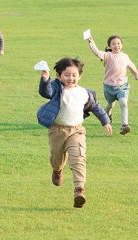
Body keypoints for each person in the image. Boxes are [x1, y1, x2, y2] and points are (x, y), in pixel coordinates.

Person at [37, 57, 112, 208]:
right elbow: (46, 92)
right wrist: (45, 79)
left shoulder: (85, 93)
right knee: (56, 159)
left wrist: (105, 121)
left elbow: (96, 107)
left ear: (80, 76)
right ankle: (57, 170)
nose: (71, 78)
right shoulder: (57, 89)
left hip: (77, 131)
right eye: (67, 75)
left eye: (74, 75)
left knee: (78, 158)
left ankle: (79, 190)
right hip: (57, 130)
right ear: (59, 76)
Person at [87, 34, 138, 135]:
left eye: (118, 43)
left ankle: (124, 125)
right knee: (110, 104)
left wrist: (136, 75)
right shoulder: (107, 55)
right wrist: (91, 41)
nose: (116, 46)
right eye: (113, 44)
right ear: (109, 46)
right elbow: (97, 52)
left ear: (122, 45)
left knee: (123, 103)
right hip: (109, 87)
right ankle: (107, 116)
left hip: (122, 86)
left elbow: (131, 65)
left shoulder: (125, 56)